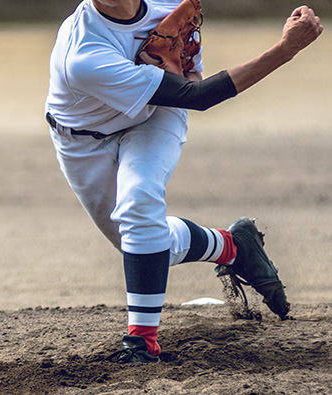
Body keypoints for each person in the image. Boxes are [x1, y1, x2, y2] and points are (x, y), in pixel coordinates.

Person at [45, 0, 323, 363]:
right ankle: (233, 246)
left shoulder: (169, 5)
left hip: (155, 119)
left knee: (139, 203)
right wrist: (286, 49)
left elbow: (191, 83)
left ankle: (141, 343)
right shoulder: (83, 52)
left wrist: (188, 73)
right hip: (83, 142)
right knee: (141, 244)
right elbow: (199, 95)